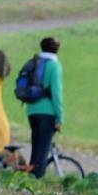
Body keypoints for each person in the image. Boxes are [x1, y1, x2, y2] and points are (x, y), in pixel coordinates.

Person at [26, 37, 63, 178]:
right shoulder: (54, 66)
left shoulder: (35, 63)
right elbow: (56, 94)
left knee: (36, 148)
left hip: (32, 111)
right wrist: (60, 117)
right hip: (47, 113)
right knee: (43, 151)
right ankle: (36, 182)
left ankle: (29, 180)